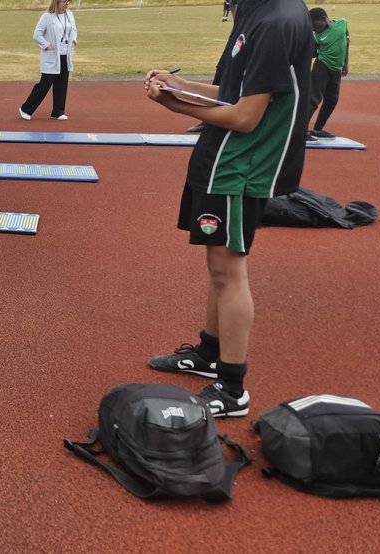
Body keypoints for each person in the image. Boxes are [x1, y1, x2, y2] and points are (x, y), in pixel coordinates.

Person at [143, 0, 313, 417]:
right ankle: (208, 354)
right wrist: (178, 85)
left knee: (229, 270)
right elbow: (232, 94)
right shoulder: (256, 11)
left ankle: (232, 388)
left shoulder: (276, 19)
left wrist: (173, 105)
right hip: (224, 158)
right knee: (217, 264)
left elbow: (246, 116)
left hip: (240, 165)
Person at [19, 0, 76, 122]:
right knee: (45, 83)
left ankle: (58, 111)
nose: (67, 4)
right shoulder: (47, 17)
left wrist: (74, 41)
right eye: (64, 1)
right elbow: (37, 35)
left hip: (65, 54)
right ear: (57, 2)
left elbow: (74, 30)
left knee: (62, 83)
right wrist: (47, 45)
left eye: (69, 1)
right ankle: (26, 109)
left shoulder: (70, 15)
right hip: (52, 56)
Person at [306, 8, 348, 141]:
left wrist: (345, 63)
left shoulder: (342, 23)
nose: (313, 27)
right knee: (313, 100)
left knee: (332, 100)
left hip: (336, 69)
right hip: (321, 68)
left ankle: (317, 129)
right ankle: (301, 131)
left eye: (314, 24)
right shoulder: (315, 36)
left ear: (324, 19)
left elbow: (346, 41)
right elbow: (311, 54)